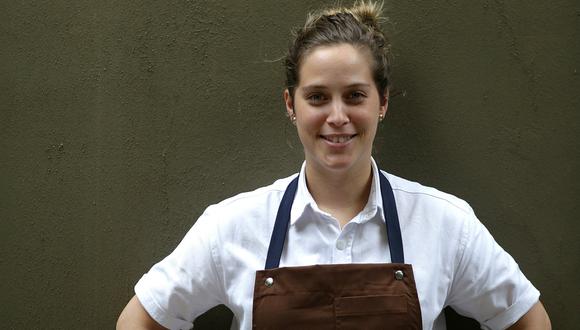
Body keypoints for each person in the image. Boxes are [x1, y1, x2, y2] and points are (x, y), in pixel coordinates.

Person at [117, 1, 551, 329]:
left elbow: (528, 319)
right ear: (291, 104)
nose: (338, 116)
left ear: (382, 102)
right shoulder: (233, 225)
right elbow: (138, 319)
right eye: (318, 97)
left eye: (356, 96)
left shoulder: (444, 223)